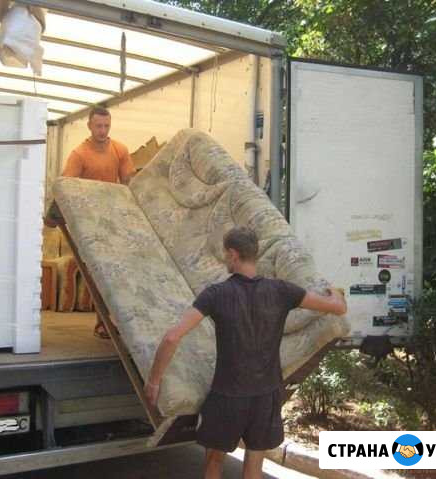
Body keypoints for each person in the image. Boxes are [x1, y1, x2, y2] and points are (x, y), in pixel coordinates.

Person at [143, 226, 347, 479]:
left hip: (227, 396)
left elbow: (172, 337)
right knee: (254, 465)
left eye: (225, 254)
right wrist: (335, 292)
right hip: (266, 395)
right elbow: (337, 308)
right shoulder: (282, 290)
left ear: (233, 254)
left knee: (213, 463)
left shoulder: (216, 294)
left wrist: (154, 381)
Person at [48, 106, 135, 339]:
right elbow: (65, 187)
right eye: (98, 126)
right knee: (99, 274)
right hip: (88, 225)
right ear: (89, 126)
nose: (103, 130)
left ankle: (119, 323)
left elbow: (130, 183)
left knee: (116, 273)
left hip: (113, 220)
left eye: (107, 126)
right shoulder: (79, 154)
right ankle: (103, 323)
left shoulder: (120, 150)